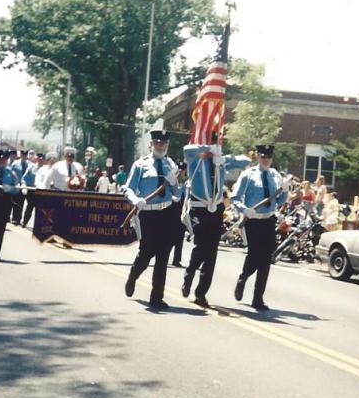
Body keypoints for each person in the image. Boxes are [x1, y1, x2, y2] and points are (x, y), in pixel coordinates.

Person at [181, 141, 250, 307]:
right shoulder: (195, 159)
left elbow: (244, 161)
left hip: (216, 209)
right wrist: (205, 149)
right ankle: (189, 273)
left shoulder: (220, 161)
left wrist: (221, 156)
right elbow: (186, 149)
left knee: (211, 252)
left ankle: (201, 293)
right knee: (201, 245)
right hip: (199, 207)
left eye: (214, 144)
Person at [122, 130, 180, 310]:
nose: (160, 146)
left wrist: (175, 183)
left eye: (164, 143)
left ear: (167, 145)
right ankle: (133, 276)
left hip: (167, 214)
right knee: (146, 254)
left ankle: (156, 297)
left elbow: (177, 195)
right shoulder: (141, 164)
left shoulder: (172, 166)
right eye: (157, 142)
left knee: (163, 257)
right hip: (148, 213)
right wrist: (135, 200)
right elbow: (128, 188)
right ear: (151, 144)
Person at [231, 144, 288, 311]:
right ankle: (243, 278)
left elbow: (279, 202)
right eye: (263, 156)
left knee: (265, 261)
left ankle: (258, 298)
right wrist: (244, 209)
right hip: (253, 220)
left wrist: (284, 191)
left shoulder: (275, 175)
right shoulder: (248, 175)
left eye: (269, 157)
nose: (266, 159)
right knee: (255, 255)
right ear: (257, 156)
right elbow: (235, 197)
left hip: (268, 220)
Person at [10, 150, 30, 225]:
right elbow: (10, 172)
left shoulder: (29, 164)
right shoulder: (15, 163)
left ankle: (19, 219)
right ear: (21, 155)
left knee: (22, 203)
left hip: (25, 186)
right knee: (16, 202)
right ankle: (15, 218)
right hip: (16, 185)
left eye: (25, 154)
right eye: (23, 154)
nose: (24, 156)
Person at [20, 150, 39, 227]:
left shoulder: (46, 169)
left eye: (43, 159)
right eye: (39, 158)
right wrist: (24, 186)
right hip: (31, 190)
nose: (41, 160)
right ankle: (24, 222)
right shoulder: (32, 167)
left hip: (41, 192)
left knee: (39, 210)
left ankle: (38, 226)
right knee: (30, 207)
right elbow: (24, 178)